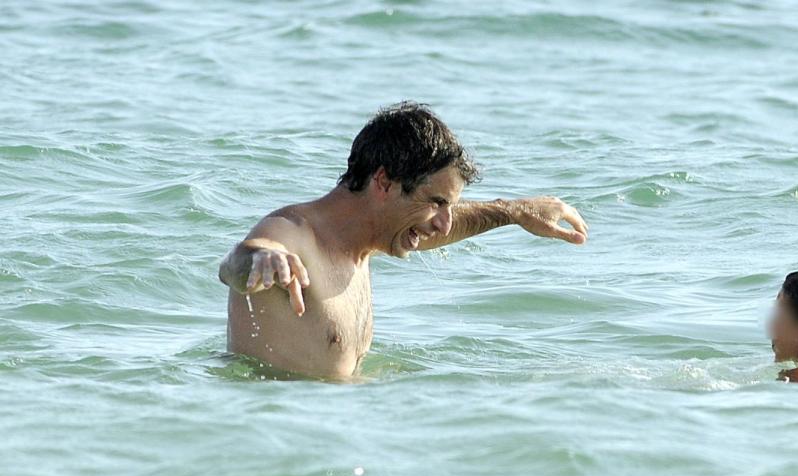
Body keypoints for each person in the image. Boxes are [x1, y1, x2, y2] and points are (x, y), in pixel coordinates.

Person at [218, 102, 589, 380]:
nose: (443, 225)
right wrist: (261, 260)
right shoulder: (294, 235)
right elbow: (236, 264)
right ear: (383, 182)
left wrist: (513, 211)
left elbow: (440, 226)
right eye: (436, 203)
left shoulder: (368, 241)